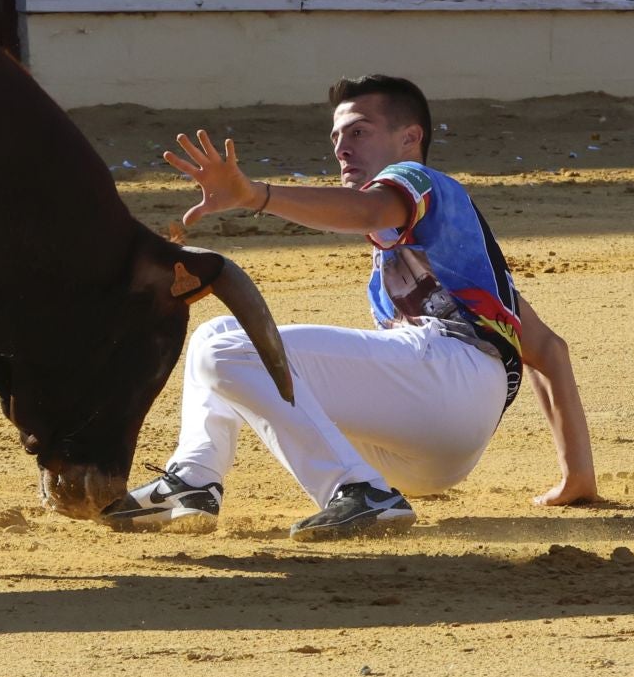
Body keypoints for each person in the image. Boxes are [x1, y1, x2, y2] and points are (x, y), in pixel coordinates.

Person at [102, 75, 596, 541]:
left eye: (359, 131)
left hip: (452, 380)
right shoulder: (454, 254)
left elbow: (368, 209)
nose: (342, 147)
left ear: (409, 138)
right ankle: (193, 479)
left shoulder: (418, 178)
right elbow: (548, 349)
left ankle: (356, 491)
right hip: (437, 442)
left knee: (228, 349)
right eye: (337, 135)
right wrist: (578, 477)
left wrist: (256, 195)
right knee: (216, 339)